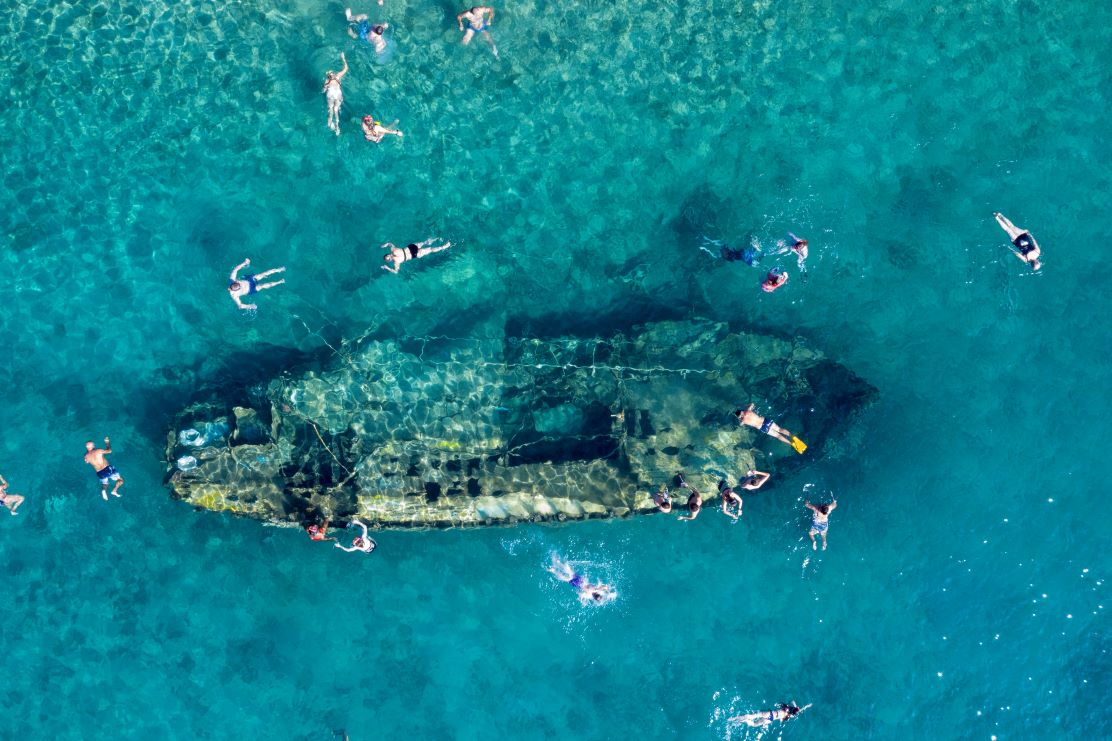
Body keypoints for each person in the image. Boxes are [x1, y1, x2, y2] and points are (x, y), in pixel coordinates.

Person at [546, 555, 617, 605]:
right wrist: (582, 598)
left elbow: (603, 587)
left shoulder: (595, 589)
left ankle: (558, 563)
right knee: (565, 577)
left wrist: (607, 588)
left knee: (570, 572)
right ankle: (554, 569)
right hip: (578, 584)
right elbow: (581, 595)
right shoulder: (590, 595)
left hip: (581, 580)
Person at [381, 237, 452, 274]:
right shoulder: (396, 262)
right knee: (430, 248)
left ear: (388, 254)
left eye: (389, 256)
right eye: (389, 258)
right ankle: (443, 245)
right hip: (414, 253)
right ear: (390, 260)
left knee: (426, 243)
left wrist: (385, 244)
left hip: (411, 248)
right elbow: (396, 271)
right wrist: (387, 268)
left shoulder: (394, 252)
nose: (390, 257)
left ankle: (438, 239)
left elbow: (390, 244)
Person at [322, 52, 349, 135]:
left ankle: (330, 124)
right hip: (337, 95)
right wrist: (343, 59)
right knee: (336, 109)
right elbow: (346, 68)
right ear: (333, 74)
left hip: (331, 95)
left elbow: (323, 91)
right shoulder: (337, 77)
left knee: (331, 110)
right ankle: (337, 128)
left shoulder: (327, 81)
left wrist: (321, 91)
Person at [729, 703, 811, 728]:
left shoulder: (785, 707)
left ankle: (734, 718)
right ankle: (745, 721)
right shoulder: (787, 716)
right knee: (754, 724)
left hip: (770, 713)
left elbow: (780, 704)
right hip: (770, 719)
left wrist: (795, 705)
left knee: (751, 716)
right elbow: (781, 721)